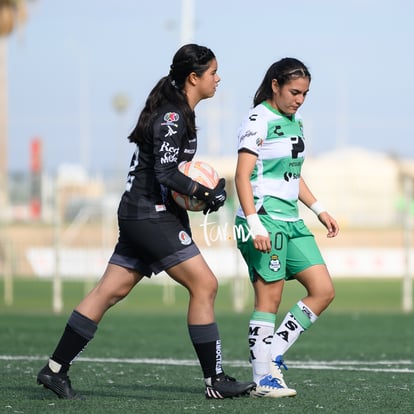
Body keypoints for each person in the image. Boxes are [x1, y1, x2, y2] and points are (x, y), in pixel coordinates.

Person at [37, 43, 256, 400]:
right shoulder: (172, 116)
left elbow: (167, 173)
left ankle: (54, 370)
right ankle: (215, 380)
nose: (218, 79)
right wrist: (205, 192)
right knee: (205, 285)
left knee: (109, 291)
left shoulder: (178, 112)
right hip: (149, 214)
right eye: (213, 73)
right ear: (193, 77)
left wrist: (199, 193)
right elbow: (166, 172)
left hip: (142, 212)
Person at [234, 57, 339, 398]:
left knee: (323, 290)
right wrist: (254, 225)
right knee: (270, 296)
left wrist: (319, 209)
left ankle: (272, 355)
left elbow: (292, 174)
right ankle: (262, 379)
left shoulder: (296, 121)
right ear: (275, 85)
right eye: (294, 92)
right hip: (262, 219)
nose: (299, 99)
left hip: (292, 220)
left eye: (305, 94)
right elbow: (241, 176)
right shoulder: (257, 120)